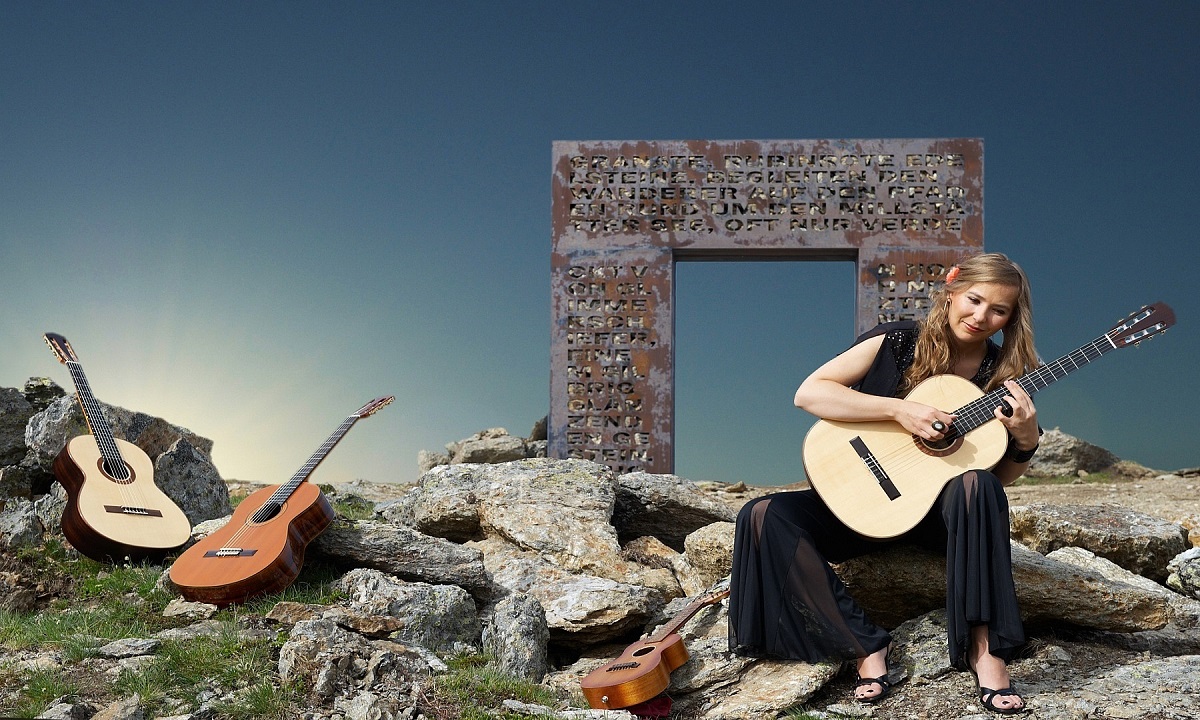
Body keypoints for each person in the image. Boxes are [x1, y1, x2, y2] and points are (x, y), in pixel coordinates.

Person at [728, 252, 1040, 714]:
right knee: (761, 515)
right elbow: (810, 392)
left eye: (999, 310)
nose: (981, 317)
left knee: (978, 485)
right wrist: (899, 410)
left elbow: (1002, 478)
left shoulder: (1003, 379)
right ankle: (865, 644)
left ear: (1012, 317)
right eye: (974, 300)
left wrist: (1025, 441)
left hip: (936, 519)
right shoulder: (897, 340)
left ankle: (986, 653)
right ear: (951, 291)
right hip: (862, 503)